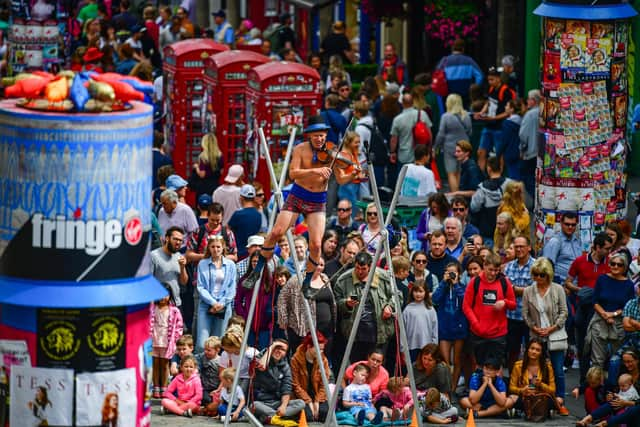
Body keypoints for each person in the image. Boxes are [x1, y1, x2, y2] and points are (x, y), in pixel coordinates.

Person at [245, 116, 356, 298]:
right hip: (298, 195)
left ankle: (308, 281)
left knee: (315, 244)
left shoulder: (332, 152)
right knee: (276, 232)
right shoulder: (300, 149)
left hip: (317, 199)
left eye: (322, 136)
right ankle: (257, 270)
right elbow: (293, 173)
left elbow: (342, 178)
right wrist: (316, 170)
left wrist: (355, 174)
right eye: (316, 136)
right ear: (310, 136)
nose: (319, 139)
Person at [521, 257, 570, 414]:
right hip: (536, 335)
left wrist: (552, 327)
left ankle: (560, 400)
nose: (538, 278)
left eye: (542, 275)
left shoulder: (558, 289)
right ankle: (538, 400)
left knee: (558, 370)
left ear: (548, 274)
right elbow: (525, 314)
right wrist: (534, 327)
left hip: (555, 334)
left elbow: (564, 312)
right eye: (535, 275)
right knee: (536, 368)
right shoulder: (529, 291)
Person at [565, 232, 612, 384]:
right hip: (584, 306)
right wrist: (580, 290)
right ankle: (584, 381)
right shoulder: (580, 261)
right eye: (606, 248)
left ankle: (598, 381)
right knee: (583, 345)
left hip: (601, 309)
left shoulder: (610, 263)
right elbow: (568, 281)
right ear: (597, 247)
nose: (608, 252)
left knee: (599, 346)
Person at [335, 251, 397, 362]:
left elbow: (397, 296)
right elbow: (336, 302)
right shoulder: (343, 280)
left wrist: (389, 307)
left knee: (376, 366)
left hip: (379, 332)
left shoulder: (384, 278)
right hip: (355, 334)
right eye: (357, 268)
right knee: (357, 367)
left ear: (370, 267)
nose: (360, 271)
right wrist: (346, 304)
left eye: (363, 269)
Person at [462, 253, 516, 366]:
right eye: (490, 270)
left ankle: (495, 384)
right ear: (484, 266)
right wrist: (476, 324)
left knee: (496, 367)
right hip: (478, 333)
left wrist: (504, 303)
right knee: (480, 366)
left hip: (498, 333)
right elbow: (466, 306)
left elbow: (513, 304)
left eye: (496, 270)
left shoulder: (504, 281)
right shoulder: (475, 282)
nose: (493, 273)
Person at [278, 255, 336, 353]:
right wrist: (283, 320)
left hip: (326, 329)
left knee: (323, 359)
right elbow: (282, 298)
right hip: (305, 328)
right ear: (310, 264)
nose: (319, 267)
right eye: (317, 264)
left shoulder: (325, 278)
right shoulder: (297, 280)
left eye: (322, 265)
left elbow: (331, 301)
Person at [587, 253, 635, 372]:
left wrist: (612, 314)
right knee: (597, 360)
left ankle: (613, 387)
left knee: (616, 360)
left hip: (618, 323)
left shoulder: (628, 284)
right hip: (599, 320)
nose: (615, 267)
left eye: (619, 265)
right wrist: (604, 314)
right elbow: (595, 300)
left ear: (624, 267)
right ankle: (594, 387)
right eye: (613, 264)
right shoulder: (602, 279)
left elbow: (628, 306)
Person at [196, 235, 237, 351]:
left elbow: (232, 287)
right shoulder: (202, 264)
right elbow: (200, 287)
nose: (215, 249)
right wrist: (213, 302)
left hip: (224, 305)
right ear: (208, 248)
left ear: (223, 247)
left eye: (218, 247)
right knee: (201, 343)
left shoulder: (230, 265)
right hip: (206, 304)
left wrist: (222, 303)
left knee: (219, 342)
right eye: (213, 246)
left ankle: (215, 367)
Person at [432, 261, 468, 394]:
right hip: (444, 327)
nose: (451, 274)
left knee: (458, 360)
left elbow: (465, 301)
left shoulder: (463, 286)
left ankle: (453, 387)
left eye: (454, 272)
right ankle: (446, 387)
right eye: (449, 272)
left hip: (459, 327)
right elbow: (435, 299)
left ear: (459, 273)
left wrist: (456, 284)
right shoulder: (443, 286)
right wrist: (443, 282)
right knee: (445, 361)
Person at [253, 339, 306, 424]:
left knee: (301, 403)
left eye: (283, 350)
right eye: (277, 347)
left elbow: (287, 388)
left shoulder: (285, 366)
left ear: (285, 353)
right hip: (261, 402)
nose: (279, 351)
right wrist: (272, 346)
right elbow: (261, 366)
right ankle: (279, 418)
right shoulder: (260, 357)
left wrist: (283, 406)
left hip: (277, 402)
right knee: (254, 405)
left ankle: (271, 418)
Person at [474, 67, 516, 173]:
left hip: (500, 127)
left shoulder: (506, 91)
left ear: (498, 79)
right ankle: (480, 176)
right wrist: (482, 112)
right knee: (481, 151)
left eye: (492, 79)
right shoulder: (491, 89)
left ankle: (499, 176)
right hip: (489, 126)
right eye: (489, 80)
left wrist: (493, 118)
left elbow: (508, 112)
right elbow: (488, 102)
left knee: (499, 154)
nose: (490, 82)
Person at [503, 236, 535, 370]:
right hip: (512, 316)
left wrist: (515, 289)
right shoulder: (509, 267)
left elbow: (536, 290)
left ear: (529, 247)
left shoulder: (536, 265)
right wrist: (521, 290)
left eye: (522, 246)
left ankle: (530, 382)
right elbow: (505, 289)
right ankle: (512, 381)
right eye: (516, 246)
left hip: (531, 317)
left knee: (532, 352)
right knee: (512, 352)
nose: (519, 249)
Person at [434, 93, 472, 192]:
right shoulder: (466, 115)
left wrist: (436, 146)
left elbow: (441, 134)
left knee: (451, 173)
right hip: (464, 146)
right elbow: (469, 131)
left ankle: (454, 194)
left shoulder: (445, 117)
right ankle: (459, 194)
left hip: (449, 147)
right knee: (459, 171)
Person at [290, 332, 332, 422]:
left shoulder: (323, 360)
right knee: (308, 417)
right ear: (309, 347)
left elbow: (324, 383)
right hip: (301, 395)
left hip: (317, 394)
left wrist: (317, 401)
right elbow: (295, 385)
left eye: (322, 350)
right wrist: (308, 401)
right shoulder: (295, 359)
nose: (321, 352)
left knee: (324, 414)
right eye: (318, 349)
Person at [150, 289, 184, 398]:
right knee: (155, 363)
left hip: (167, 340)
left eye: (166, 295)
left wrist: (176, 339)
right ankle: (156, 387)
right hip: (154, 338)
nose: (163, 298)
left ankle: (164, 387)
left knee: (165, 364)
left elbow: (179, 326)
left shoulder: (174, 310)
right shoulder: (152, 309)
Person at [470, 156, 509, 248]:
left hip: (487, 230)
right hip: (507, 232)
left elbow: (474, 207)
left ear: (489, 168)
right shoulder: (510, 185)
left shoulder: (482, 188)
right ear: (501, 167)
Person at [507, 338, 556, 410]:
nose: (534, 352)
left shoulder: (548, 367)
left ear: (541, 353)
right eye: (532, 348)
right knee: (512, 398)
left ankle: (530, 410)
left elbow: (552, 390)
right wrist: (522, 390)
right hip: (524, 397)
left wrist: (541, 385)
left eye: (537, 350)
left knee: (558, 400)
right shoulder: (518, 365)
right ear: (527, 350)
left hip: (540, 397)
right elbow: (511, 387)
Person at [435, 38, 483, 106]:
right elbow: (480, 75)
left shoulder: (444, 60)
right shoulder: (469, 61)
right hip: (465, 93)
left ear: (452, 48)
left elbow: (437, 76)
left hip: (449, 94)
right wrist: (475, 87)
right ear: (463, 48)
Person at [389, 93, 432, 169]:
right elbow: (429, 134)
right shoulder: (422, 114)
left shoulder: (397, 119)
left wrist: (392, 152)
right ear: (413, 102)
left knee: (405, 179)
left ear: (402, 103)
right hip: (421, 153)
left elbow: (394, 139)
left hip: (404, 155)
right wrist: (429, 148)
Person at [151, 226, 188, 311]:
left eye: (180, 240)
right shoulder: (154, 256)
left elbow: (184, 282)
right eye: (175, 239)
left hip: (176, 304)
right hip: (159, 305)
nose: (178, 242)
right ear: (167, 238)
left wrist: (182, 268)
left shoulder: (179, 256)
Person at [542, 212, 582, 282]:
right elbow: (546, 268)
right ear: (561, 223)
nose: (570, 227)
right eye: (567, 224)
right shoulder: (555, 241)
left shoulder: (577, 240)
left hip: (576, 285)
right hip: (562, 286)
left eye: (573, 225)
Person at [402, 281, 438, 362]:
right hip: (411, 346)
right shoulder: (408, 309)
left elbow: (434, 329)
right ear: (412, 292)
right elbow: (403, 331)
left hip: (426, 346)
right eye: (416, 291)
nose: (418, 294)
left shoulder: (430, 309)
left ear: (426, 293)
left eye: (421, 291)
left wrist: (434, 346)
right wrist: (403, 349)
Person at [228, 184, 262, 259]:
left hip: (240, 254)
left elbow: (228, 231)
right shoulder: (258, 215)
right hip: (254, 253)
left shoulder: (238, 214)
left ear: (241, 198)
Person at [519, 89, 541, 197]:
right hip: (543, 153)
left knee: (527, 178)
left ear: (533, 100)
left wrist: (522, 149)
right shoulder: (544, 112)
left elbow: (523, 135)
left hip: (531, 153)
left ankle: (536, 200)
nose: (527, 101)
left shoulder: (530, 115)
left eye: (528, 99)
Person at [191, 133, 223, 201]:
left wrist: (196, 167)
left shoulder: (203, 157)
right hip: (215, 185)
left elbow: (202, 175)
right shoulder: (220, 156)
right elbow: (221, 171)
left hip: (204, 187)